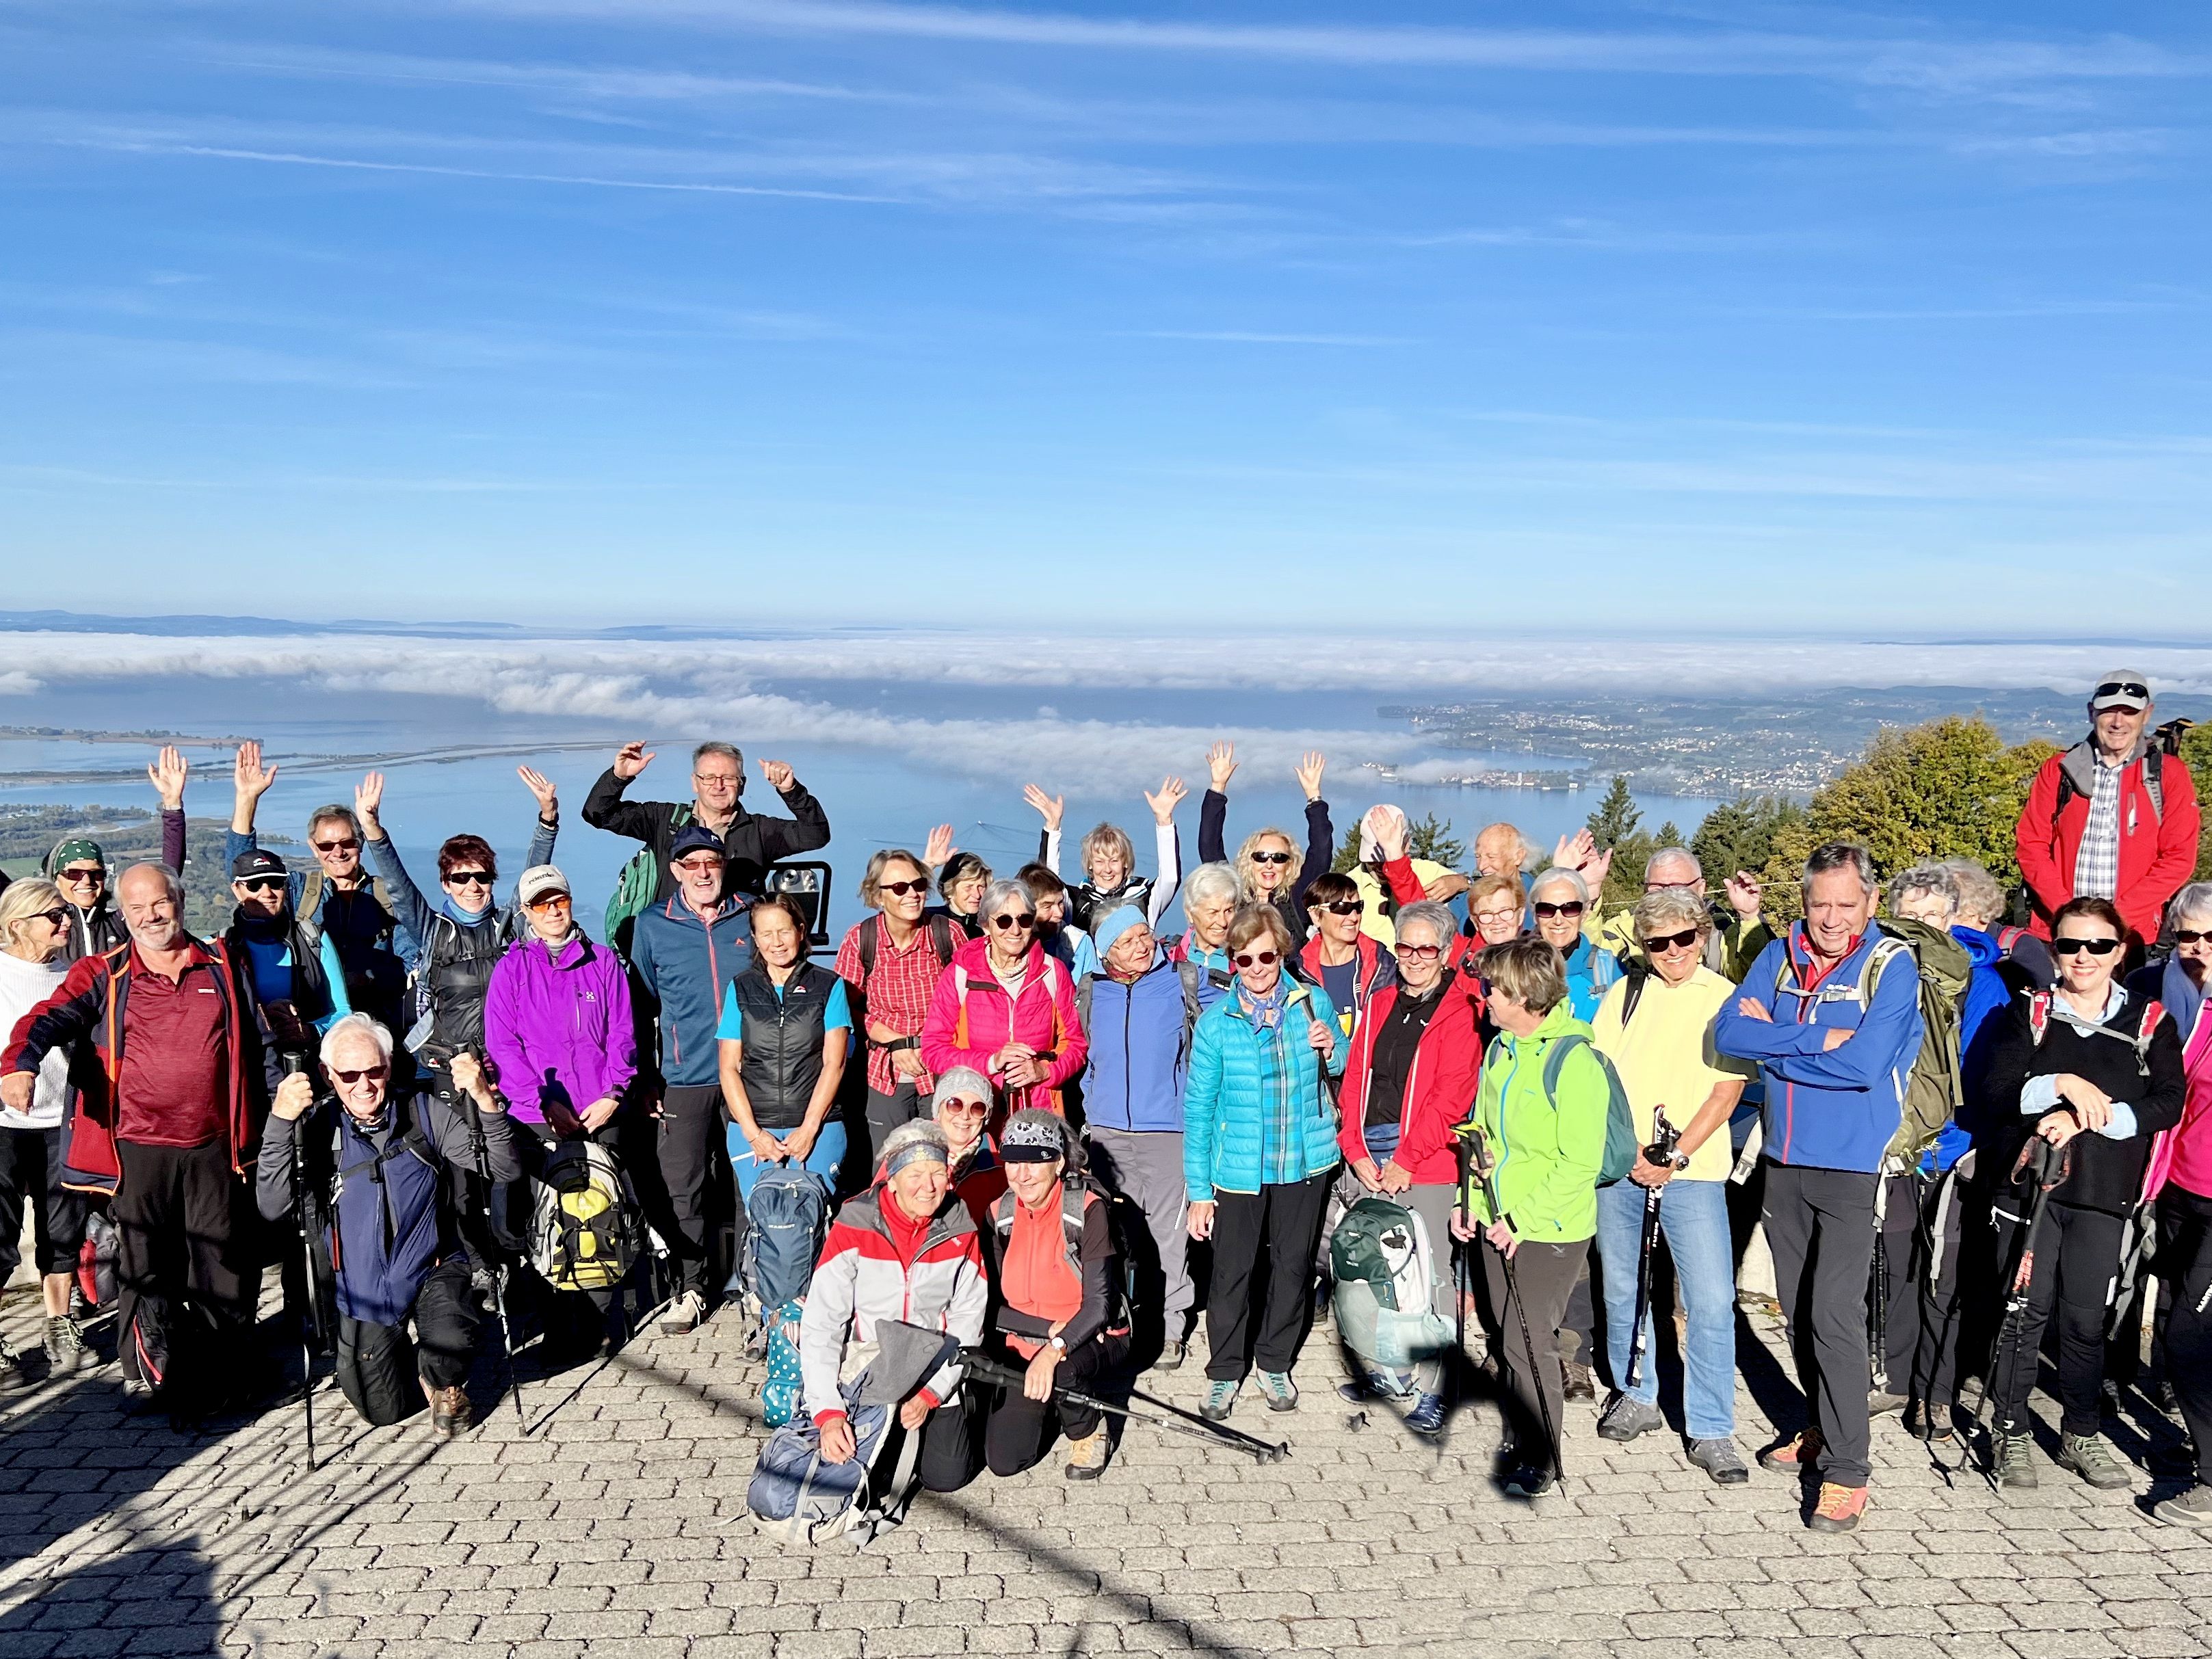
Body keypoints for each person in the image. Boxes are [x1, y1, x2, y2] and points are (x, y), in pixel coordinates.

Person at [2, 863, 278, 1400]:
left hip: (215, 1145)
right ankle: (146, 1375)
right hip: (136, 1145)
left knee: (220, 1258)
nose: (150, 916)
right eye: (137, 908)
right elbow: (48, 1017)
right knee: (144, 1262)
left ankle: (224, 1368)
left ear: (180, 900)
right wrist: (21, 1063)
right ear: (122, 915)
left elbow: (259, 1045)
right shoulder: (103, 972)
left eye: (160, 903)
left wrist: (278, 1121)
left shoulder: (222, 963)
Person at [1715, 841, 1926, 1534]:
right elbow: (1729, 1031)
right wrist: (1816, 1037)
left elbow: (1866, 1064)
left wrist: (1782, 1041)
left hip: (1855, 1163)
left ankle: (1847, 1471)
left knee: (1834, 1313)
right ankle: (1822, 1426)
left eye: (1845, 903)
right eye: (1818, 903)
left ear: (1870, 901)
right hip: (1784, 1157)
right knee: (1801, 1309)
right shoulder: (1781, 953)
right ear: (1802, 901)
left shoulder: (1891, 965)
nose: (1831, 918)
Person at [1977, 895, 2184, 1496]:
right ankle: (2010, 1430)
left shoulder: (2149, 1022)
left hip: (2104, 1192)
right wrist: (2059, 1084)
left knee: (2086, 1321)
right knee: (2024, 1314)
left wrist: (2092, 1117)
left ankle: (2080, 1431)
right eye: (2069, 945)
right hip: (2030, 1192)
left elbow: (2168, 1101)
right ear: (2055, 950)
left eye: (2098, 945)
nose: (2083, 957)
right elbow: (1996, 1091)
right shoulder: (2032, 1013)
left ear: (2120, 952)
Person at [257, 1016, 519, 1436]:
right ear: (327, 1076)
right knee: (382, 1409)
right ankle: (412, 1361)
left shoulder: (422, 1113)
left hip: (432, 1265)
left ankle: (446, 1373)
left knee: (449, 1339)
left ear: (390, 1067)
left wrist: (486, 1100)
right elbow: (273, 1206)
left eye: (374, 1071)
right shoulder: (318, 1128)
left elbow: (501, 1167)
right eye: (348, 1075)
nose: (364, 1085)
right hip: (364, 1289)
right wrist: (280, 1122)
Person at [1588, 889, 1754, 1483]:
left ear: (1703, 936)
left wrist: (1675, 1155)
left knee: (1710, 1302)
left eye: (1684, 938)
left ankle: (1711, 1429)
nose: (1672, 952)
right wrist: (1630, 1149)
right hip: (1624, 1168)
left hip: (1695, 1173)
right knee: (1622, 1290)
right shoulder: (1625, 994)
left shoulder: (1727, 1000)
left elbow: (1727, 1090)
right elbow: (1599, 1074)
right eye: (1658, 943)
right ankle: (1637, 1394)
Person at [1449, 937, 1608, 1497]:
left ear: (1521, 994)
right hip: (1498, 1220)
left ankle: (1543, 1454)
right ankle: (1521, 1435)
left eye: (1492, 988)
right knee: (1510, 1338)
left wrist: (1521, 1219)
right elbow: (1484, 1139)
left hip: (1551, 1228)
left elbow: (1579, 1162)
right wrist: (1468, 1203)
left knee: (1529, 1340)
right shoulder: (1501, 1051)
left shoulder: (1575, 1061)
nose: (1484, 996)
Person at [1184, 903, 1344, 1421]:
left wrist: (1331, 1049)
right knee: (1231, 1273)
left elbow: (1342, 1064)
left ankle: (1275, 1362)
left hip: (1302, 1163)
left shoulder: (1312, 1002)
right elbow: (1199, 1110)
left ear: (1282, 953)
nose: (1256, 968)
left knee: (1292, 1267)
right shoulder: (1216, 1023)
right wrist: (1200, 1190)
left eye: (1267, 957)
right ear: (1232, 961)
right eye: (1244, 959)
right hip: (1239, 1169)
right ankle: (1225, 1372)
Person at [1334, 901, 1480, 1435]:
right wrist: (1353, 1147)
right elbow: (1354, 1080)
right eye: (1405, 947)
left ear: (1445, 954)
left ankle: (1441, 1387)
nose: (1414, 958)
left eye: (1426, 949)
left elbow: (1452, 1097)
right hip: (1371, 1151)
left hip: (1427, 1158)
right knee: (1384, 1275)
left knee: (1432, 1277)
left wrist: (1406, 1160)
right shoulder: (1379, 1003)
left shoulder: (1458, 1011)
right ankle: (1395, 1373)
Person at [482, 864, 638, 1351]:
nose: (553, 911)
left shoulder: (604, 963)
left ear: (570, 901)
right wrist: (543, 1102)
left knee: (599, 1214)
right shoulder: (512, 969)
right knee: (546, 1220)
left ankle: (597, 1323)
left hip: (598, 1113)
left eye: (560, 901)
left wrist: (613, 1093)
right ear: (526, 912)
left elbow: (623, 1035)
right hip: (536, 1118)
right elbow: (502, 1045)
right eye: (541, 904)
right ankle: (555, 1326)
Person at [801, 1119, 987, 1495]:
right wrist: (828, 1413)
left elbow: (969, 1320)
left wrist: (932, 1393)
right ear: (892, 1177)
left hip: (934, 1363)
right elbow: (823, 1323)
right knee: (872, 1482)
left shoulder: (960, 1227)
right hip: (872, 1365)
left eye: (937, 1172)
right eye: (915, 1173)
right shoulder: (855, 1224)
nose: (928, 1185)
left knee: (946, 1478)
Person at [633, 827, 758, 1331]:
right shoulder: (653, 924)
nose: (703, 872)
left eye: (712, 862)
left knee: (750, 1184)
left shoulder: (751, 913)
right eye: (692, 863)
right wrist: (644, 1078)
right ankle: (692, 1286)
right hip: (682, 1077)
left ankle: (754, 1286)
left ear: (723, 865)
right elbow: (640, 1006)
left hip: (748, 1076)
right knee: (682, 1186)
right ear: (677, 869)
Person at [359, 765, 559, 1072]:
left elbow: (534, 879)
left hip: (508, 1063)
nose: (472, 886)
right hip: (448, 1065)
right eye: (461, 877)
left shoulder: (508, 927)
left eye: (481, 876)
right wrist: (373, 830)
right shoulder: (433, 930)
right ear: (445, 883)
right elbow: (400, 888)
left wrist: (548, 819)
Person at [1870, 864, 1974, 1430]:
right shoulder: (1884, 974)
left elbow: (1981, 1066)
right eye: (1912, 916)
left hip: (1955, 1149)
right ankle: (1894, 1375)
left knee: (1944, 1276)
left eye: (1934, 917)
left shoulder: (1977, 979)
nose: (1923, 928)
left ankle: (1937, 1389)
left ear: (1953, 921)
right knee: (1894, 1268)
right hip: (1895, 1147)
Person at [1077, 907, 1200, 1369]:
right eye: (1128, 941)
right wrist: (1092, 1103)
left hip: (1167, 1127)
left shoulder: (1181, 980)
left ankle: (1169, 1328)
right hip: (1107, 1132)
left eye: (1145, 935)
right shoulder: (1092, 991)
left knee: (1169, 1233)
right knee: (1118, 1235)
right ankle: (1120, 1320)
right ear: (1107, 951)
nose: (1142, 946)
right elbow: (1082, 1051)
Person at [982, 1109, 1130, 1480]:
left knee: (1064, 1369)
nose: (1022, 1174)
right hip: (1030, 1338)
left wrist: (1056, 1346)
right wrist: (1049, 1330)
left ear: (1059, 1162)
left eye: (1036, 1161)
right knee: (1005, 1461)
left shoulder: (1087, 1210)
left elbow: (1100, 1305)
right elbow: (990, 1307)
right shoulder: (999, 1214)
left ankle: (1088, 1429)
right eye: (1013, 1161)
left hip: (1090, 1337)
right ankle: (1055, 1403)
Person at [227, 743, 410, 1033]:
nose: (337, 853)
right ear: (314, 848)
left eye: (347, 843)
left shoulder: (383, 897)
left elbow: (411, 961)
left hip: (380, 1026)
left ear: (360, 843)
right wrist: (246, 802)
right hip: (313, 1027)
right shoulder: (300, 890)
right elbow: (246, 873)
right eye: (326, 845)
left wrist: (371, 977)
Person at [2014, 671, 2200, 951]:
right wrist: (2067, 913)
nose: (2118, 722)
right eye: (2108, 711)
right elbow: (2031, 845)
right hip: (2058, 932)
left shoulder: (2168, 775)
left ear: (2147, 715)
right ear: (2092, 712)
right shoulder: (2058, 770)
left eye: (2129, 712)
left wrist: (2116, 918)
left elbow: (2178, 857)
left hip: (2132, 936)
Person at [0, 880, 92, 1382]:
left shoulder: (74, 977)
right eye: (52, 915)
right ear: (18, 924)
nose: (64, 921)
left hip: (63, 1119)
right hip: (4, 1126)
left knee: (64, 1229)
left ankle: (60, 1323)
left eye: (64, 914)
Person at [2143, 883, 2212, 1525]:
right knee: (2175, 1323)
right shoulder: (2188, 1001)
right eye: (2187, 937)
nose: (2196, 950)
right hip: (2182, 1185)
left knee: (2193, 1333)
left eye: (2210, 938)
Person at [717, 891, 850, 1210]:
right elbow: (729, 1068)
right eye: (766, 933)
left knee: (815, 1221)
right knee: (763, 1224)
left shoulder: (829, 985)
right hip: (753, 1130)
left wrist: (809, 1128)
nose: (776, 942)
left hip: (818, 1129)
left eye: (784, 931)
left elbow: (835, 1064)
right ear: (754, 938)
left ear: (801, 932)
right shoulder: (740, 987)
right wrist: (753, 1134)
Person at [835, 849, 967, 1163]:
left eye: (919, 885)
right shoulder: (860, 940)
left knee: (949, 1161)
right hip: (885, 1075)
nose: (912, 894)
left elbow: (972, 1002)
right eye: (899, 888)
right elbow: (842, 1008)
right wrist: (890, 1037)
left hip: (944, 1071)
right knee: (887, 1164)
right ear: (877, 896)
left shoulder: (947, 934)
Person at [583, 739, 830, 905]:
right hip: (675, 939)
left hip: (737, 946)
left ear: (742, 785)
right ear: (695, 782)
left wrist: (791, 791)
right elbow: (598, 814)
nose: (719, 786)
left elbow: (816, 834)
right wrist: (618, 777)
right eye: (709, 777)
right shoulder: (665, 820)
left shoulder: (760, 831)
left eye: (729, 778)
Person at [921, 880, 1088, 1118]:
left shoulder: (1053, 972)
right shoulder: (960, 974)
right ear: (986, 925)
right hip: (974, 1111)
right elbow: (934, 1049)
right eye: (1004, 920)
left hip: (1038, 1109)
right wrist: (991, 1062)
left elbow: (1077, 1044)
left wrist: (1045, 1071)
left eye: (1024, 920)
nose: (1015, 930)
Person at [1197, 743, 1334, 949]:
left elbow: (1321, 851)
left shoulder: (1295, 900)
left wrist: (1314, 796)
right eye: (1261, 856)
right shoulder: (1236, 898)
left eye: (1279, 858)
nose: (1269, 864)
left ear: (1290, 865)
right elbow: (1209, 846)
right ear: (1249, 860)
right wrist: (1218, 787)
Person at [222, 847, 349, 1056]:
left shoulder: (313, 938)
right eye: (253, 885)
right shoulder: (219, 947)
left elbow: (343, 1011)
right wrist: (263, 1018)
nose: (267, 892)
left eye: (276, 883)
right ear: (236, 890)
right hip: (251, 1064)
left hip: (310, 1064)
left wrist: (310, 1030)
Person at [1023, 777, 1187, 934]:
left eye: (1114, 860)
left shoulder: (1144, 897)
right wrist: (1052, 826)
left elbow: (1170, 878)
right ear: (1090, 864)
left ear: (1125, 863)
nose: (1107, 869)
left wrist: (1164, 821)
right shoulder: (1075, 901)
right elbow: (1047, 882)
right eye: (1100, 861)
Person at [1588, 847, 1772, 982]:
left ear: (1701, 888)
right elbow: (1589, 961)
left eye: (1677, 887)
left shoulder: (1720, 932)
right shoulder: (1625, 929)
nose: (1667, 895)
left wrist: (1749, 916)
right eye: (1657, 887)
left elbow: (1751, 976)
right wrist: (1589, 894)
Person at [1344, 805, 1467, 947]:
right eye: (1373, 861)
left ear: (1407, 845)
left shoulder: (1429, 872)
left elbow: (1488, 890)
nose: (1381, 867)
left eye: (1386, 860)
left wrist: (1464, 882)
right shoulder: (1349, 885)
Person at [1298, 871, 1397, 1040]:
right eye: (1342, 908)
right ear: (1315, 915)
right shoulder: (1298, 974)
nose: (1353, 917)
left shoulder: (1383, 965)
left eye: (1358, 907)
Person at [1529, 867, 1617, 1020]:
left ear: (1586, 912)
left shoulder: (1608, 968)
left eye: (1570, 909)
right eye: (1546, 909)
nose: (1558, 920)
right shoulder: (1516, 967)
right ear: (1535, 913)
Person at [932, 1067, 1006, 1227]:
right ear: (938, 1110)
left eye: (977, 1108)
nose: (965, 1116)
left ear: (986, 1117)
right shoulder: (908, 1152)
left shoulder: (997, 1169)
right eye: (955, 1105)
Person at [1168, 862, 1241, 1011]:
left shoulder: (1250, 961)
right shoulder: (1169, 958)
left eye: (1229, 911)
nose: (1222, 922)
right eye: (1213, 912)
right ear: (1190, 913)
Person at [1018, 864, 1100, 983]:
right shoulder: (1011, 945)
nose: (1059, 913)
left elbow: (1090, 994)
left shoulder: (1081, 943)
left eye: (1060, 903)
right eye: (1047, 906)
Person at [936, 851, 993, 931]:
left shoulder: (990, 926)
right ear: (950, 890)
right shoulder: (933, 922)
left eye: (981, 887)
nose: (977, 895)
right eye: (968, 887)